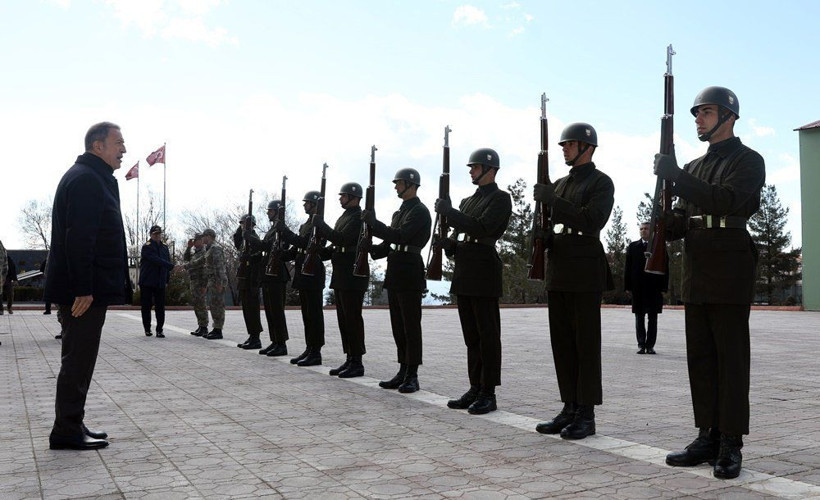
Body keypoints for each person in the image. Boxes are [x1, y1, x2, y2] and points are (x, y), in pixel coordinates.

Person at [654, 86, 765, 480]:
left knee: (730, 359)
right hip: (698, 266)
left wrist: (677, 177)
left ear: (729, 116)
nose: (698, 119)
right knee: (700, 358)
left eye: (705, 112)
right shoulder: (696, 166)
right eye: (696, 113)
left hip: (731, 265)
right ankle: (707, 435)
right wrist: (663, 226)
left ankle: (730, 442)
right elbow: (685, 218)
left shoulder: (750, 160)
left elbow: (725, 200)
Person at [44, 121, 132, 450]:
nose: (124, 149)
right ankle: (66, 430)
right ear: (98, 146)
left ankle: (72, 422)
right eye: (118, 143)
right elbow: (79, 238)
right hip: (83, 292)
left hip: (87, 288)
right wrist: (82, 288)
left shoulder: (93, 177)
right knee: (77, 361)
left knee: (79, 360)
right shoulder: (86, 180)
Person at [532, 122, 614, 440]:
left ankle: (586, 413)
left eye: (569, 144)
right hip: (560, 267)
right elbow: (549, 224)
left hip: (584, 269)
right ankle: (569, 407)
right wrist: (541, 238)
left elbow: (593, 219)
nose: (564, 149)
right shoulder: (561, 184)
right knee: (562, 345)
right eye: (563, 145)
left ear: (587, 147)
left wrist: (553, 200)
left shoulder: (601, 182)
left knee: (585, 345)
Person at [434, 148, 512, 415]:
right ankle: (475, 386)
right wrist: (450, 245)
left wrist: (450, 212)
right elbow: (464, 233)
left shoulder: (501, 198)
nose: (471, 171)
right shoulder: (468, 200)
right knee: (472, 336)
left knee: (488, 335)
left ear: (490, 169)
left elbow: (483, 228)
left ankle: (488, 392)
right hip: (466, 270)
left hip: (484, 270)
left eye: (475, 167)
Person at [365, 168, 431, 393]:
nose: (395, 186)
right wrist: (372, 250)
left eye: (399, 183)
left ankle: (413, 374)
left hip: (410, 270)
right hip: (395, 270)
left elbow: (401, 236)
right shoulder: (399, 212)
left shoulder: (420, 211)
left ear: (411, 185)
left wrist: (375, 225)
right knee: (398, 326)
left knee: (411, 326)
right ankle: (402, 369)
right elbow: (391, 241)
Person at [312, 182, 369, 378]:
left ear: (353, 197)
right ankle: (350, 358)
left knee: (352, 319)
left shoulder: (358, 218)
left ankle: (357, 361)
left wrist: (321, 224)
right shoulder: (344, 216)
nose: (340, 199)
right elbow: (336, 246)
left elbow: (342, 239)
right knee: (344, 320)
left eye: (343, 196)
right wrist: (319, 251)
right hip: (341, 273)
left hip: (353, 274)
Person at [276, 191, 326, 367]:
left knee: (314, 314)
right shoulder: (307, 224)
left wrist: (285, 231)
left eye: (307, 203)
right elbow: (298, 249)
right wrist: (282, 255)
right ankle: (309, 347)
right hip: (303, 270)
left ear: (314, 205)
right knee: (307, 314)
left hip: (313, 271)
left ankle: (316, 351)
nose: (304, 205)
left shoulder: (318, 225)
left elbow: (305, 243)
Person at [245, 200, 290, 357]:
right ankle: (275, 341)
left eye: (270, 211)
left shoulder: (281, 230)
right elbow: (265, 248)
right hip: (268, 273)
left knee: (277, 311)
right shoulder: (273, 230)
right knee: (270, 311)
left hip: (277, 274)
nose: (267, 213)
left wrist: (250, 237)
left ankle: (281, 343)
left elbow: (269, 247)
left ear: (277, 211)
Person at [624, 222, 668, 354]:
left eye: (646, 229)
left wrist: (664, 287)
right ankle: (641, 344)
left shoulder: (658, 247)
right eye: (641, 229)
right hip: (638, 288)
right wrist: (628, 286)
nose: (643, 231)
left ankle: (650, 346)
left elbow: (666, 267)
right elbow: (628, 268)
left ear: (652, 230)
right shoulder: (633, 247)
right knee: (639, 317)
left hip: (654, 288)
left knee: (653, 318)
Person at [234, 215, 264, 350]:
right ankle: (251, 335)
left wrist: (250, 258)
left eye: (245, 224)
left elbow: (258, 258)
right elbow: (237, 242)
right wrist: (241, 230)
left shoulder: (255, 239)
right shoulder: (244, 238)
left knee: (252, 309)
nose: (243, 226)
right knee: (246, 308)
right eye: (241, 224)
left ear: (252, 225)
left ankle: (256, 337)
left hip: (252, 278)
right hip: (244, 278)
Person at [139, 225, 174, 338]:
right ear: (151, 234)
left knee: (160, 307)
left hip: (160, 281)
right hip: (147, 281)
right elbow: (155, 260)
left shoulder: (164, 247)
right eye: (155, 234)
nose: (157, 236)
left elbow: (166, 261)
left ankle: (160, 329)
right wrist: (170, 266)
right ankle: (147, 329)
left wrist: (167, 279)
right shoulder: (147, 247)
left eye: (159, 234)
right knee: (146, 306)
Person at [180, 233, 209, 336]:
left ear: (201, 241)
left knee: (201, 304)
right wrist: (188, 247)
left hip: (200, 282)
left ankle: (204, 327)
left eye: (196, 240)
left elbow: (200, 266)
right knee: (196, 305)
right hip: (193, 281)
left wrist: (204, 285)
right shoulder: (195, 253)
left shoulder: (204, 252)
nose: (195, 242)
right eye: (194, 240)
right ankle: (200, 326)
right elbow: (186, 257)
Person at [201, 228, 227, 339]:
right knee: (213, 304)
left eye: (204, 236)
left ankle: (218, 330)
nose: (202, 238)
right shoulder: (208, 249)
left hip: (217, 280)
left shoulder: (215, 248)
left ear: (209, 236)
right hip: (212, 280)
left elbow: (219, 266)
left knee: (218, 305)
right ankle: (216, 328)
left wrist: (220, 282)